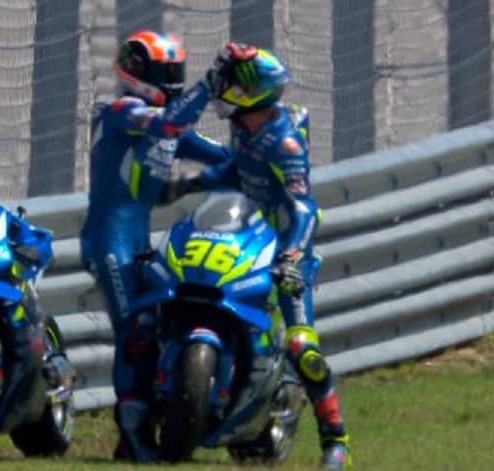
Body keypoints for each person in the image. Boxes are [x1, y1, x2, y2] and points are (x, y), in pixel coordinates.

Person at [161, 45, 352, 469]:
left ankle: (336, 441)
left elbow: (305, 209)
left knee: (302, 346)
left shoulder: (284, 143)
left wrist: (292, 256)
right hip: (244, 236)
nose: (224, 89)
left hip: (286, 249)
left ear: (253, 91)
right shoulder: (243, 130)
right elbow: (233, 169)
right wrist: (191, 182)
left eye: (232, 83)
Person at [78, 31, 251, 462]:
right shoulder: (120, 111)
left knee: (159, 325)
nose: (172, 79)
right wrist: (207, 86)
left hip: (139, 241)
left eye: (177, 70)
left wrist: (263, 147)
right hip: (109, 241)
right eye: (164, 71)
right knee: (134, 335)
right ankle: (132, 436)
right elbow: (170, 125)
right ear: (138, 70)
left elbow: (226, 162)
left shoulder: (168, 124)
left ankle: (172, 411)